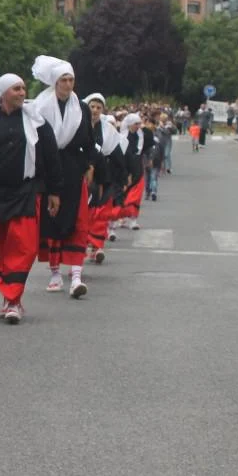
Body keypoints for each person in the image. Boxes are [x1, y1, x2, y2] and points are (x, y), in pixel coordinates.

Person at [0, 74, 62, 324]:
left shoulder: (36, 121)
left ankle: (13, 299)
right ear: (3, 93)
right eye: (16, 89)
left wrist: (54, 191)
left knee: (23, 246)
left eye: (23, 88)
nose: (22, 93)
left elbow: (51, 157)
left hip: (25, 191)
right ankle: (7, 293)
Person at [31, 56, 102, 299]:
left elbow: (89, 141)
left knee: (78, 221)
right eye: (64, 80)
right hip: (47, 169)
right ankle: (54, 273)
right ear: (55, 82)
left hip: (73, 168)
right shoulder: (40, 107)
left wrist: (90, 164)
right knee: (51, 222)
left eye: (71, 80)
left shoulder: (81, 108)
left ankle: (76, 277)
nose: (68, 84)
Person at [82, 94, 126, 265]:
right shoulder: (78, 125)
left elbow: (117, 154)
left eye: (98, 108)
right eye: (92, 106)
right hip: (81, 175)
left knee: (100, 212)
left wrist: (122, 177)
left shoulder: (108, 129)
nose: (94, 110)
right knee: (83, 214)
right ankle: (83, 246)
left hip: (101, 177)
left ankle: (96, 246)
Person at [119, 113, 147, 230]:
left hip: (138, 169)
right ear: (130, 124)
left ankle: (133, 219)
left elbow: (142, 150)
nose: (138, 126)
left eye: (139, 124)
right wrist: (126, 173)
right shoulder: (122, 137)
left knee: (136, 196)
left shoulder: (140, 135)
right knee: (124, 196)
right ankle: (123, 218)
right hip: (125, 169)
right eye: (136, 124)